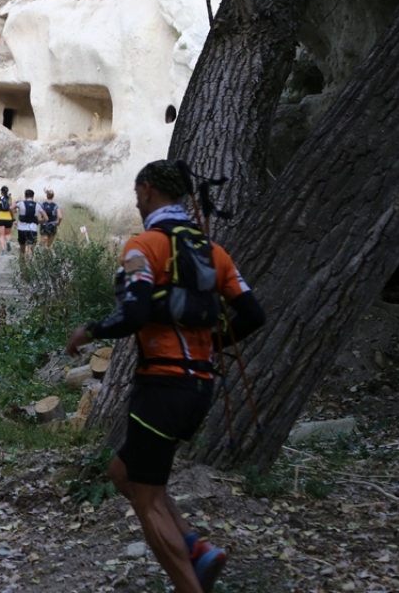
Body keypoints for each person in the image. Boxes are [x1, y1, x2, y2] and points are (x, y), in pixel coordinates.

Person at [63, 160, 265, 593]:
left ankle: (188, 584)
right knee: (122, 472)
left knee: (148, 497)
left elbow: (133, 313)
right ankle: (196, 548)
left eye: (138, 195)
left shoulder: (143, 246)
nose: (137, 203)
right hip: (199, 387)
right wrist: (213, 347)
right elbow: (253, 314)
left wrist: (89, 331)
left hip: (160, 388)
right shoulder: (215, 252)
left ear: (148, 190)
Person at [13, 189, 44, 257]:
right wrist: (38, 221)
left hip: (21, 228)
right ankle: (28, 265)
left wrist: (14, 220)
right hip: (32, 229)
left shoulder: (20, 203)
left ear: (25, 196)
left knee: (22, 249)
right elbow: (46, 218)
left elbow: (10, 208)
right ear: (33, 196)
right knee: (30, 249)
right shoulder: (38, 205)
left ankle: (22, 266)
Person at [0, 185, 14, 255]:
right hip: (9, 219)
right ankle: (8, 241)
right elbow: (13, 209)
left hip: (0, 218)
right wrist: (13, 218)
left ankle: (3, 251)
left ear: (1, 192)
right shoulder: (11, 199)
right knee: (8, 234)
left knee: (1, 235)